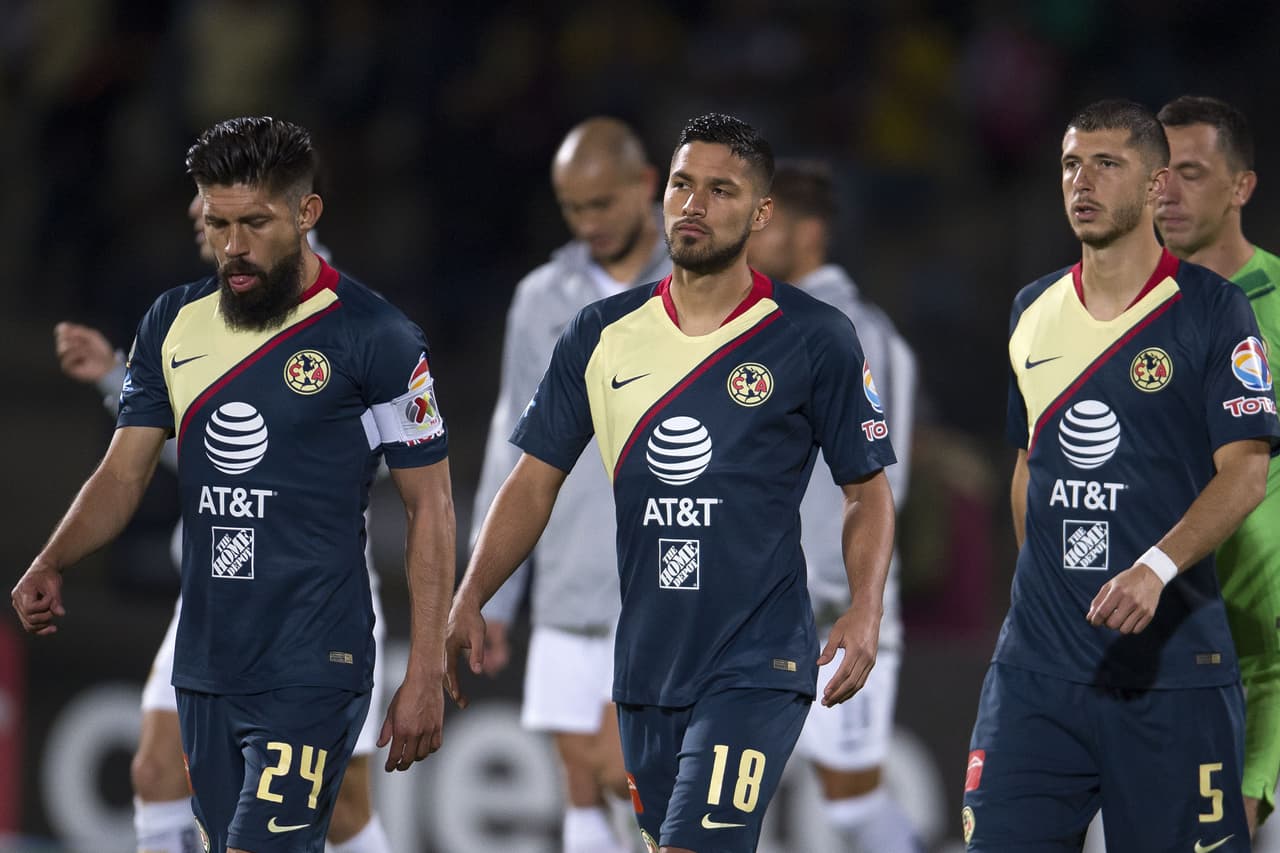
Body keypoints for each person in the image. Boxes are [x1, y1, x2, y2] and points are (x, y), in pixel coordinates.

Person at [446, 112, 897, 853]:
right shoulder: (600, 332)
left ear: (761, 214)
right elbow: (533, 479)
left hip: (757, 660)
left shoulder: (813, 336)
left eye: (721, 190)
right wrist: (472, 592)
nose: (694, 204)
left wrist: (865, 607)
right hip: (648, 665)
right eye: (684, 184)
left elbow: (866, 489)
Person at [13, 116, 456, 853]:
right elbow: (124, 471)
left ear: (306, 213)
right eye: (216, 223)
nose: (233, 246)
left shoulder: (376, 337)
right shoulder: (174, 325)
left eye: (253, 222)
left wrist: (428, 666)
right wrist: (53, 558)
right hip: (209, 659)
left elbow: (430, 504)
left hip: (316, 656)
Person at [962, 99, 1279, 852]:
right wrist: (1042, 588)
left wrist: (1155, 567)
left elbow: (1245, 471)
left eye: (1109, 164)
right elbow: (1026, 466)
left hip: (1174, 674)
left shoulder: (1213, 311)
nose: (1084, 181)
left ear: (1152, 185)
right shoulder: (1032, 308)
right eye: (1073, 163)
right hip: (1037, 673)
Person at [52, 193, 395, 853]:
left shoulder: (344, 316)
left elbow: (385, 458)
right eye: (203, 225)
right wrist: (118, 378)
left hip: (313, 598)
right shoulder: (201, 319)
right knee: (155, 767)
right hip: (218, 589)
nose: (213, 240)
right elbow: (204, 449)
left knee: (342, 805)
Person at [472, 116, 670, 853]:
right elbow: (510, 441)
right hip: (564, 577)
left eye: (602, 204)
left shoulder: (698, 289)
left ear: (644, 186)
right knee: (580, 780)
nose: (588, 223)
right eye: (572, 208)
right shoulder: (541, 298)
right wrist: (495, 587)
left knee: (628, 773)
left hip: (660, 578)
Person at [745, 158, 920, 852]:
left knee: (850, 804)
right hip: (771, 609)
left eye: (768, 224)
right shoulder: (777, 321)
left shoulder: (847, 327)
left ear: (809, 231)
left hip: (831, 607)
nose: (752, 239)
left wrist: (854, 597)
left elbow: (876, 482)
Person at [1155, 94, 1280, 836]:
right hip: (1160, 632)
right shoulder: (1122, 312)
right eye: (1158, 173)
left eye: (1192, 174)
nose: (1165, 192)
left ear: (1242, 188)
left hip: (1262, 648)